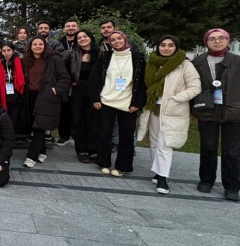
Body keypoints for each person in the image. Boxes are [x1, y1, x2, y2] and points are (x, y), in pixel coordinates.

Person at [191, 29, 240, 201]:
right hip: (207, 112)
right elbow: (190, 87)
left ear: (227, 40)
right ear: (206, 42)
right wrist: (191, 111)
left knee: (231, 152)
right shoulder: (198, 62)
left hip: (235, 113)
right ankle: (206, 180)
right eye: (212, 39)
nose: (217, 41)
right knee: (208, 148)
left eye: (221, 38)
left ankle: (231, 187)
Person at [136, 35, 200, 195]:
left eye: (170, 45)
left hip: (172, 110)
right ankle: (157, 172)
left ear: (176, 47)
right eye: (163, 45)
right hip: (153, 108)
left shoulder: (184, 64)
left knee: (165, 144)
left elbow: (195, 87)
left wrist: (175, 98)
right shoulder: (153, 62)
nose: (166, 48)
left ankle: (163, 178)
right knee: (154, 143)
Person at [89, 30, 147, 177]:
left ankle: (123, 166)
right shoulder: (106, 56)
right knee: (104, 133)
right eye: (113, 40)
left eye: (119, 38)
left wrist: (138, 103)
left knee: (126, 136)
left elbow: (142, 82)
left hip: (128, 103)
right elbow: (94, 78)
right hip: (107, 101)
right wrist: (95, 98)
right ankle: (104, 162)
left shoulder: (137, 57)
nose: (116, 42)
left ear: (124, 39)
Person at [22, 36, 71, 168]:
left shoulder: (54, 59)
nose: (38, 46)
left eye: (40, 44)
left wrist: (56, 90)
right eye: (35, 44)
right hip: (30, 96)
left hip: (46, 96)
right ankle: (42, 152)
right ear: (30, 47)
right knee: (35, 126)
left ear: (45, 46)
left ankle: (31, 156)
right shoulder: (26, 60)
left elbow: (65, 78)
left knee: (40, 126)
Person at [68, 30, 100, 163]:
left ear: (91, 38)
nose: (82, 39)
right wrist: (71, 80)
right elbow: (65, 69)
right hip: (78, 89)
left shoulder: (100, 53)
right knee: (77, 120)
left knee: (93, 121)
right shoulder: (73, 53)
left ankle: (93, 150)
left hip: (95, 90)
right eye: (79, 38)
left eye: (85, 36)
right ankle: (81, 150)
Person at [0, 42, 26, 139]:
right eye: (4, 51)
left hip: (17, 94)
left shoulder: (19, 61)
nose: (6, 53)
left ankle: (13, 137)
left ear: (13, 50)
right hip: (3, 95)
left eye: (9, 50)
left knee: (15, 117)